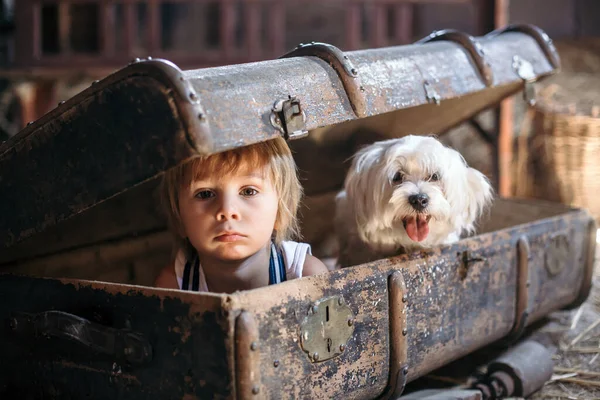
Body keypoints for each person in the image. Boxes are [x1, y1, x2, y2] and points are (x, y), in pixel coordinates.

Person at [154, 136, 329, 293]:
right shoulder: (175, 286)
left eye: (248, 191)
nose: (227, 211)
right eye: (205, 194)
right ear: (179, 218)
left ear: (280, 211)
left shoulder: (305, 276)